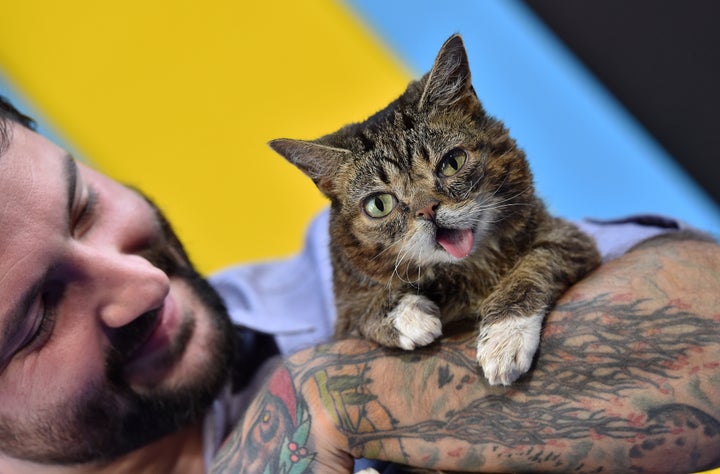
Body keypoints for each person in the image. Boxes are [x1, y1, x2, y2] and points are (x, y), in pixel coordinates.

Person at [0, 94, 719, 474]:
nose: (142, 283)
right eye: (38, 319)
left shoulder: (352, 276)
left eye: (82, 207)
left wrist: (335, 393)